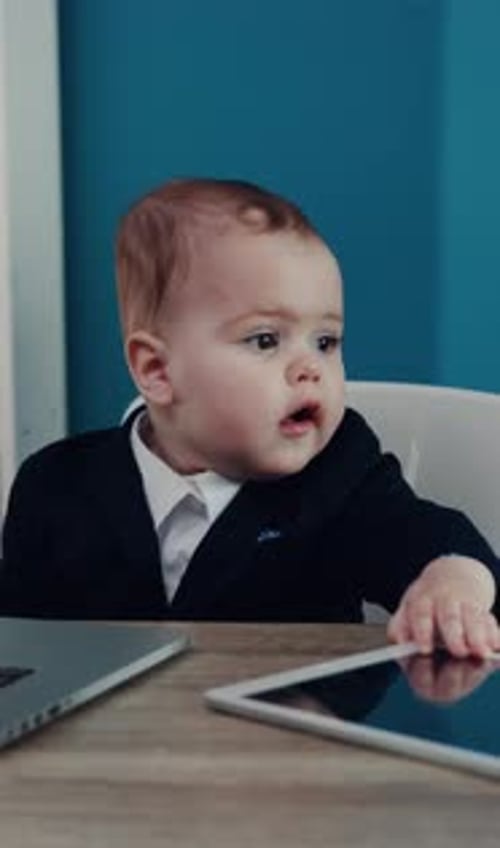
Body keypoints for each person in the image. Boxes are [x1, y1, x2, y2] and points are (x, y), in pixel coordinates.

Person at [1, 178, 499, 659]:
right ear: (157, 370)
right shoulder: (56, 485)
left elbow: (419, 535)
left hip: (295, 731)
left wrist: (451, 581)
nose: (310, 368)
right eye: (265, 340)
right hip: (109, 738)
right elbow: (19, 641)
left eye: (326, 341)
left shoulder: (338, 471)